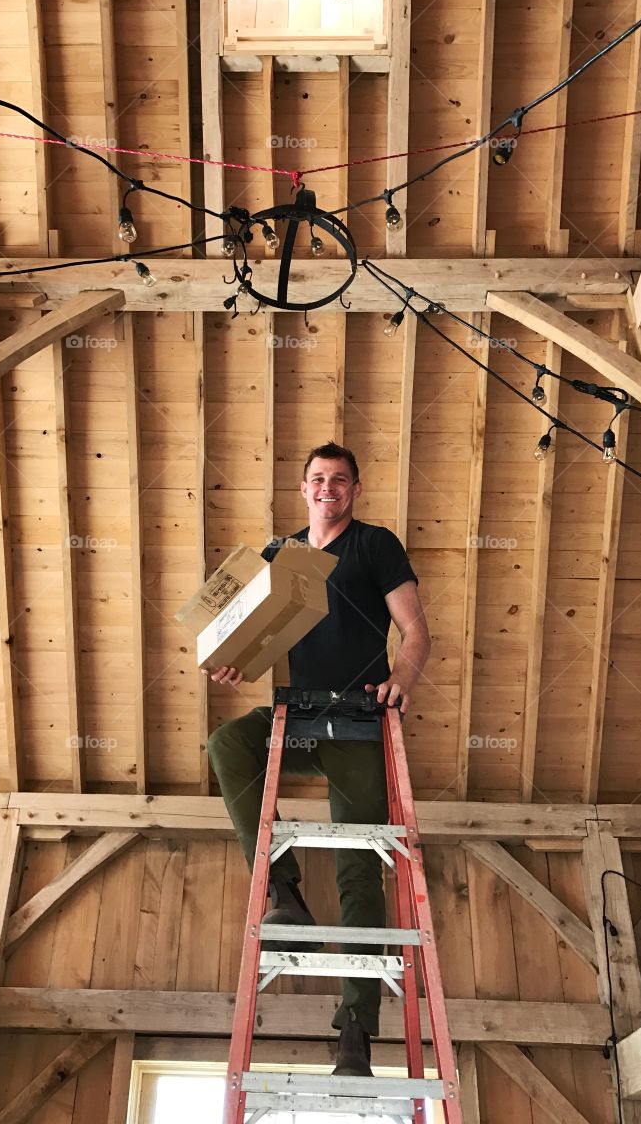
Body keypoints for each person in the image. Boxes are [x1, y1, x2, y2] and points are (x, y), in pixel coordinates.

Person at [205, 441, 430, 1077]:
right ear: (303, 489)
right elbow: (244, 638)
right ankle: (282, 887)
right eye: (316, 480)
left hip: (358, 718)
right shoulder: (283, 555)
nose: (327, 488)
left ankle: (356, 1029)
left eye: (338, 480)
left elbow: (416, 632)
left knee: (360, 868)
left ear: (353, 489)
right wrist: (231, 659)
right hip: (296, 716)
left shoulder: (374, 545)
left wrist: (401, 683)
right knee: (227, 742)